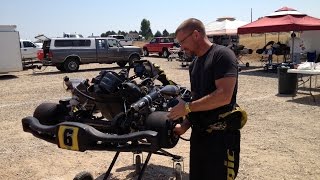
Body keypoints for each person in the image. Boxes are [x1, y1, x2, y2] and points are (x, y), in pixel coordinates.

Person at [168, 18, 240, 180]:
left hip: (222, 139)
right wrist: (186, 124)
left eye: (182, 42)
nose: (181, 47)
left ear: (195, 35)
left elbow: (224, 95)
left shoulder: (222, 55)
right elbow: (197, 98)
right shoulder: (194, 64)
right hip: (199, 137)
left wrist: (186, 107)